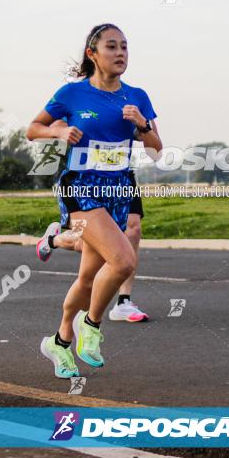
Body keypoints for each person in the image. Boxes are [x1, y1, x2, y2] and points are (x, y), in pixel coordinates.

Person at [26, 23, 161, 378]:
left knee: (88, 277)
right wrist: (57, 130)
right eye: (112, 47)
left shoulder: (137, 96)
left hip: (116, 191)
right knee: (122, 261)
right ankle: (92, 326)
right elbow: (33, 128)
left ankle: (58, 342)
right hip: (80, 187)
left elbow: (156, 150)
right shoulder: (72, 94)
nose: (120, 53)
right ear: (93, 54)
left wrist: (143, 124)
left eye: (125, 47)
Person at [37, 120, 149, 324]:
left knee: (133, 230)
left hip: (121, 176)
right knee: (85, 244)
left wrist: (141, 127)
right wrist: (62, 131)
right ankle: (52, 240)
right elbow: (48, 127)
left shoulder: (127, 98)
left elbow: (148, 138)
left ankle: (124, 302)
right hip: (86, 178)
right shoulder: (77, 97)